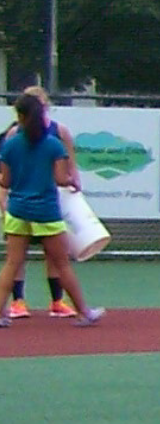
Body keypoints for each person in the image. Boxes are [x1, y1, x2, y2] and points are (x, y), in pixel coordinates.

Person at [0, 87, 103, 326]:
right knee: (61, 263)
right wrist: (70, 181)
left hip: (17, 210)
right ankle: (83, 312)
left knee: (12, 264)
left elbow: (5, 181)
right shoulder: (53, 145)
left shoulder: (10, 145)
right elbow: (60, 179)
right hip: (46, 211)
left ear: (21, 117)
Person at [6, 88, 76, 318]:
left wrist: (73, 184)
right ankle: (19, 301)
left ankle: (57, 300)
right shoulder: (15, 136)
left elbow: (70, 168)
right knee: (26, 260)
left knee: (45, 257)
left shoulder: (59, 133)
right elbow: (63, 176)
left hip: (31, 205)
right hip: (42, 207)